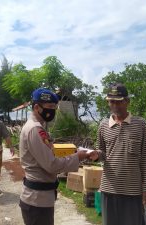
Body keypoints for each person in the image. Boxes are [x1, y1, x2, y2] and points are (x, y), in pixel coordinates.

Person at [19, 88, 89, 225]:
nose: (53, 111)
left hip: (40, 198)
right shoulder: (35, 129)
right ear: (37, 107)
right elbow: (52, 165)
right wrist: (78, 157)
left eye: (54, 107)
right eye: (50, 107)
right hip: (37, 200)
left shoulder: (38, 127)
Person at [89, 83, 146, 225]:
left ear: (127, 101)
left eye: (119, 101)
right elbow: (102, 152)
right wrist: (95, 155)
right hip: (109, 189)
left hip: (133, 191)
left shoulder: (140, 124)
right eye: (112, 101)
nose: (115, 105)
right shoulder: (103, 125)